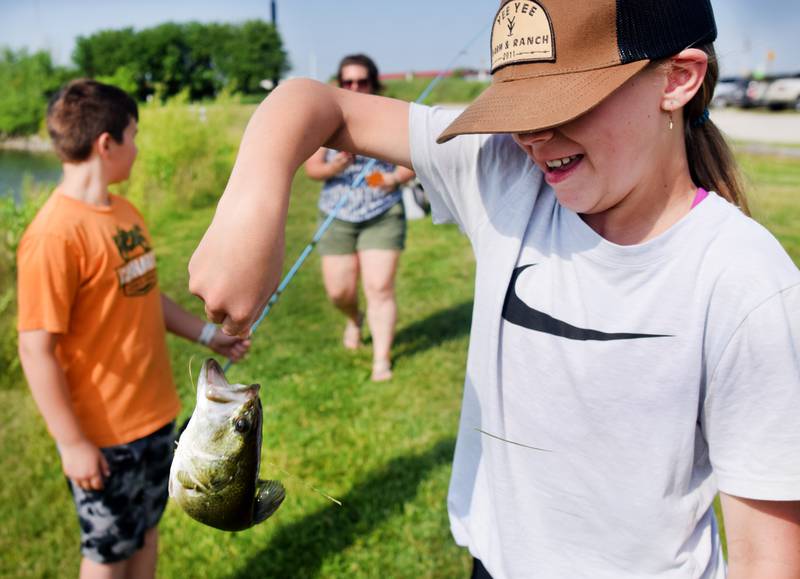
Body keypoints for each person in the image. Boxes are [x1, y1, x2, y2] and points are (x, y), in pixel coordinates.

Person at [187, 0, 800, 577]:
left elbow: (769, 557)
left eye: (561, 104)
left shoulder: (744, 283)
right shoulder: (504, 174)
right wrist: (252, 202)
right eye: (515, 107)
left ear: (677, 79)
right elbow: (316, 104)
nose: (531, 137)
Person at [16, 79, 250, 579]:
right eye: (133, 136)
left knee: (146, 532)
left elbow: (144, 295)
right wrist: (71, 443)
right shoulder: (54, 235)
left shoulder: (124, 213)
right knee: (108, 554)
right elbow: (35, 350)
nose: (138, 149)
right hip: (104, 435)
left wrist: (208, 335)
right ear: (106, 144)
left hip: (156, 414)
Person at [304, 54, 416, 382]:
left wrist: (392, 179)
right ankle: (354, 318)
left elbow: (411, 161)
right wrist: (335, 166)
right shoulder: (326, 119)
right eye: (348, 81)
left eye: (362, 81)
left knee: (379, 286)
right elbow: (313, 168)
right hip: (336, 214)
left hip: (382, 213)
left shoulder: (390, 114)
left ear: (373, 82)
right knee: (339, 291)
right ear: (340, 84)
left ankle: (381, 360)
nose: (355, 87)